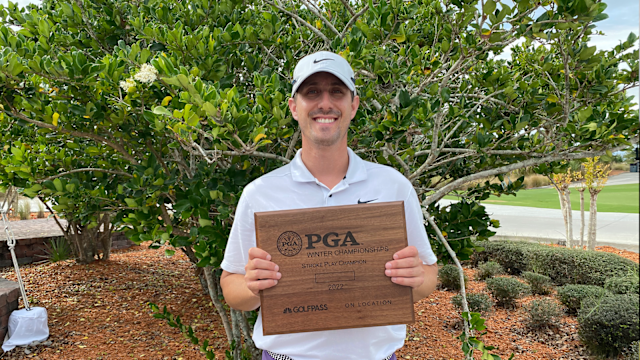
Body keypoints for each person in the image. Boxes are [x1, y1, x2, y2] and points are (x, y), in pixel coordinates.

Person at [220, 51, 438, 360]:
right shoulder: (260, 193)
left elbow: (428, 275)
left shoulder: (393, 186)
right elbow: (231, 287)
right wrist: (252, 286)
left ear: (354, 104)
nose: (325, 103)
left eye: (336, 91)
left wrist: (415, 278)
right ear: (294, 107)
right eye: (312, 92)